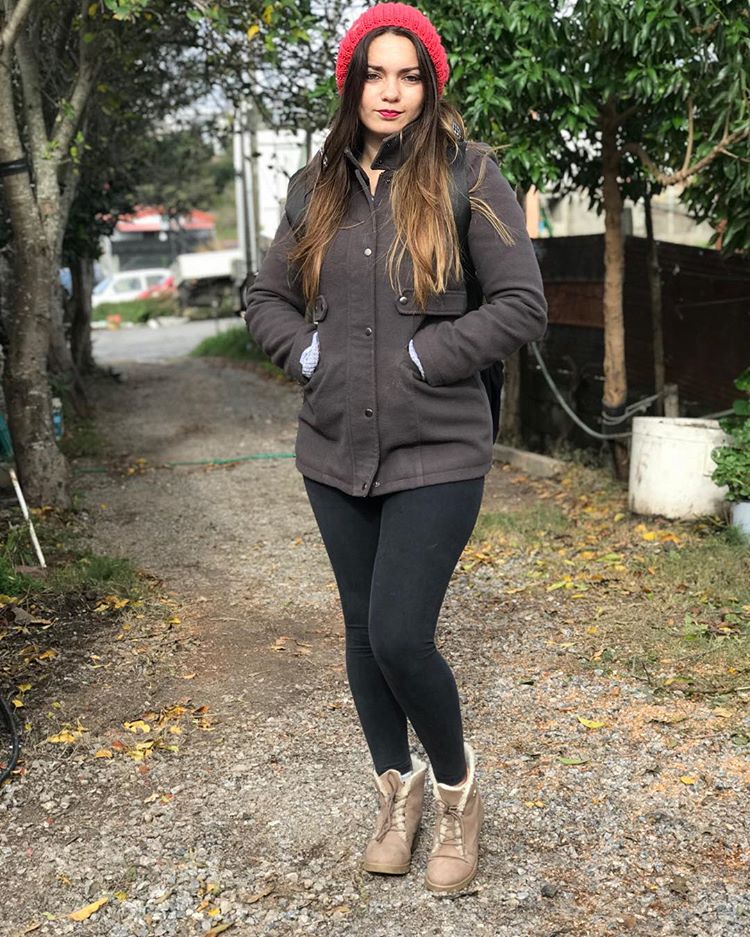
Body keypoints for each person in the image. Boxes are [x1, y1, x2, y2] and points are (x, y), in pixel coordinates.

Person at [243, 1, 548, 894]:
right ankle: (395, 793)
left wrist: (425, 357)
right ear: (351, 82)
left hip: (437, 448)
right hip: (334, 448)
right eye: (374, 73)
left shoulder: (470, 175)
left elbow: (522, 304)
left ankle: (456, 793)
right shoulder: (315, 185)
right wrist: (308, 354)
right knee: (359, 631)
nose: (390, 91)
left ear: (430, 85)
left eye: (408, 75)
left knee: (399, 633)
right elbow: (264, 298)